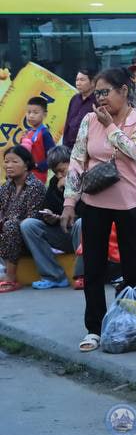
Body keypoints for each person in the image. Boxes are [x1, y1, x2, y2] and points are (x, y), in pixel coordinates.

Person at [63, 67, 136, 351]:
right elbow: (77, 161)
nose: (100, 98)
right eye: (97, 93)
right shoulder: (90, 120)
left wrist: (112, 128)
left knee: (133, 268)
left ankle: (132, 325)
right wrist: (70, 202)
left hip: (131, 204)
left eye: (105, 92)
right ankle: (95, 328)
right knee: (93, 268)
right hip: (94, 204)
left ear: (124, 91)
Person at [19, 146, 83, 289]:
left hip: (81, 234)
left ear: (71, 162)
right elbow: (47, 208)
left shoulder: (85, 176)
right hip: (61, 233)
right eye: (56, 172)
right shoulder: (54, 182)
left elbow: (88, 211)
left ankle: (83, 276)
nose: (59, 175)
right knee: (28, 225)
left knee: (81, 223)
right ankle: (54, 276)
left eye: (62, 170)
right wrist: (50, 216)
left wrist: (70, 190)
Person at [0, 146, 49, 293]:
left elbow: (33, 220)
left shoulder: (35, 187)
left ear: (26, 164)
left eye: (14, 162)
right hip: (8, 237)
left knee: (11, 225)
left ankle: (10, 277)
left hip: (28, 239)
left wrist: (7, 225)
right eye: (6, 162)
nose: (8, 166)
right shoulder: (6, 187)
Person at [18, 97, 57, 184]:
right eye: (29, 112)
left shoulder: (45, 134)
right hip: (22, 176)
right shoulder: (27, 133)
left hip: (37, 178)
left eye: (35, 112)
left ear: (45, 114)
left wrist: (37, 166)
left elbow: (53, 157)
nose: (31, 115)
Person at [61, 69, 96, 149]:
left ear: (92, 82)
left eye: (82, 80)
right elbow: (68, 123)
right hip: (69, 146)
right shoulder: (74, 99)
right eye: (77, 80)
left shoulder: (97, 100)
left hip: (87, 146)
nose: (78, 83)